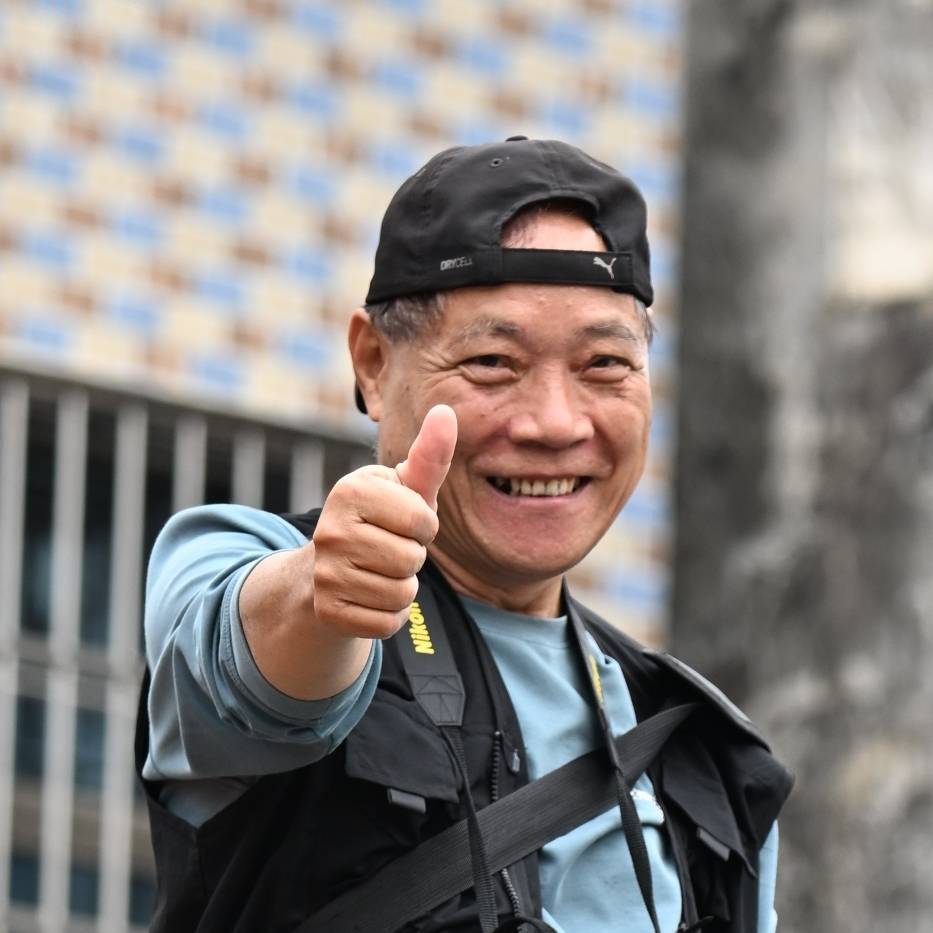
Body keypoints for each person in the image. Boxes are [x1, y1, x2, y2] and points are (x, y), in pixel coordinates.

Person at [137, 137, 793, 933]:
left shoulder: (703, 755)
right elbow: (252, 661)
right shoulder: (249, 564)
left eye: (603, 364)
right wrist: (323, 595)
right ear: (373, 364)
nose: (554, 422)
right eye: (491, 361)